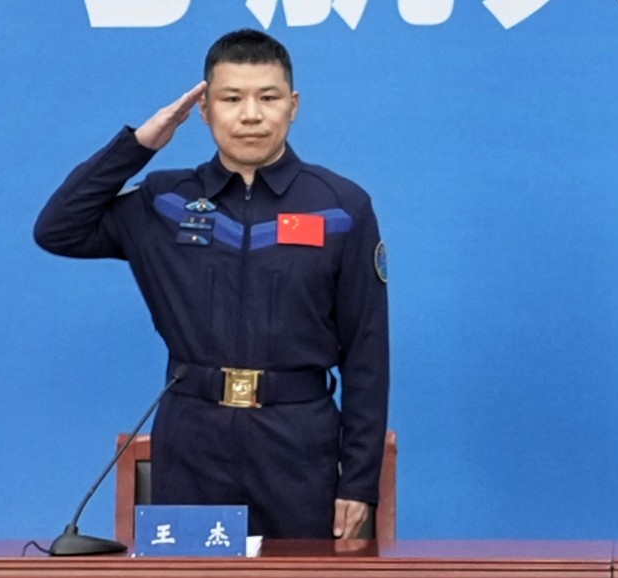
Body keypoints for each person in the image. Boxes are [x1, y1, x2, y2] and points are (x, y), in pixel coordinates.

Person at [35, 30, 389, 540]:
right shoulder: (164, 202)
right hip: (193, 442)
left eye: (268, 98)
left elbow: (368, 354)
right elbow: (57, 229)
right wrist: (138, 146)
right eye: (231, 99)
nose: (250, 114)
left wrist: (358, 482)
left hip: (299, 445)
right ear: (203, 109)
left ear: (294, 106)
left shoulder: (340, 206)